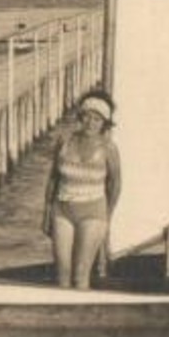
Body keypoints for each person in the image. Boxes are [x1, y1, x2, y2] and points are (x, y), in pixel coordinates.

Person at [42, 89, 122, 289]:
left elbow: (115, 183)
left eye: (97, 119)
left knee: (80, 274)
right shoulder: (64, 141)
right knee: (62, 274)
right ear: (80, 116)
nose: (90, 122)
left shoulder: (108, 148)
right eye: (87, 116)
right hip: (62, 210)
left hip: (93, 213)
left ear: (104, 123)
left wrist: (107, 216)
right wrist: (46, 212)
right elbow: (53, 177)